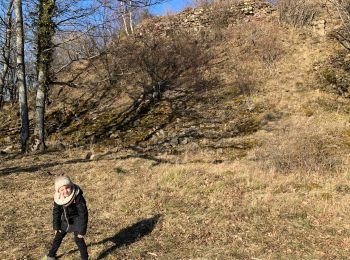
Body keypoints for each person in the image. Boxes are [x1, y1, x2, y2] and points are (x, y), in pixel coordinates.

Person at [42, 176, 89, 260]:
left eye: (67, 188)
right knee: (58, 237)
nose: (65, 191)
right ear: (58, 191)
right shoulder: (58, 198)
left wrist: (82, 231)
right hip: (65, 221)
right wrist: (56, 226)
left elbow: (83, 214)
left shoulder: (78, 196)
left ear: (71, 186)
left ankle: (84, 258)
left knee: (78, 240)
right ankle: (51, 255)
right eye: (62, 189)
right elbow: (56, 212)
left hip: (77, 221)